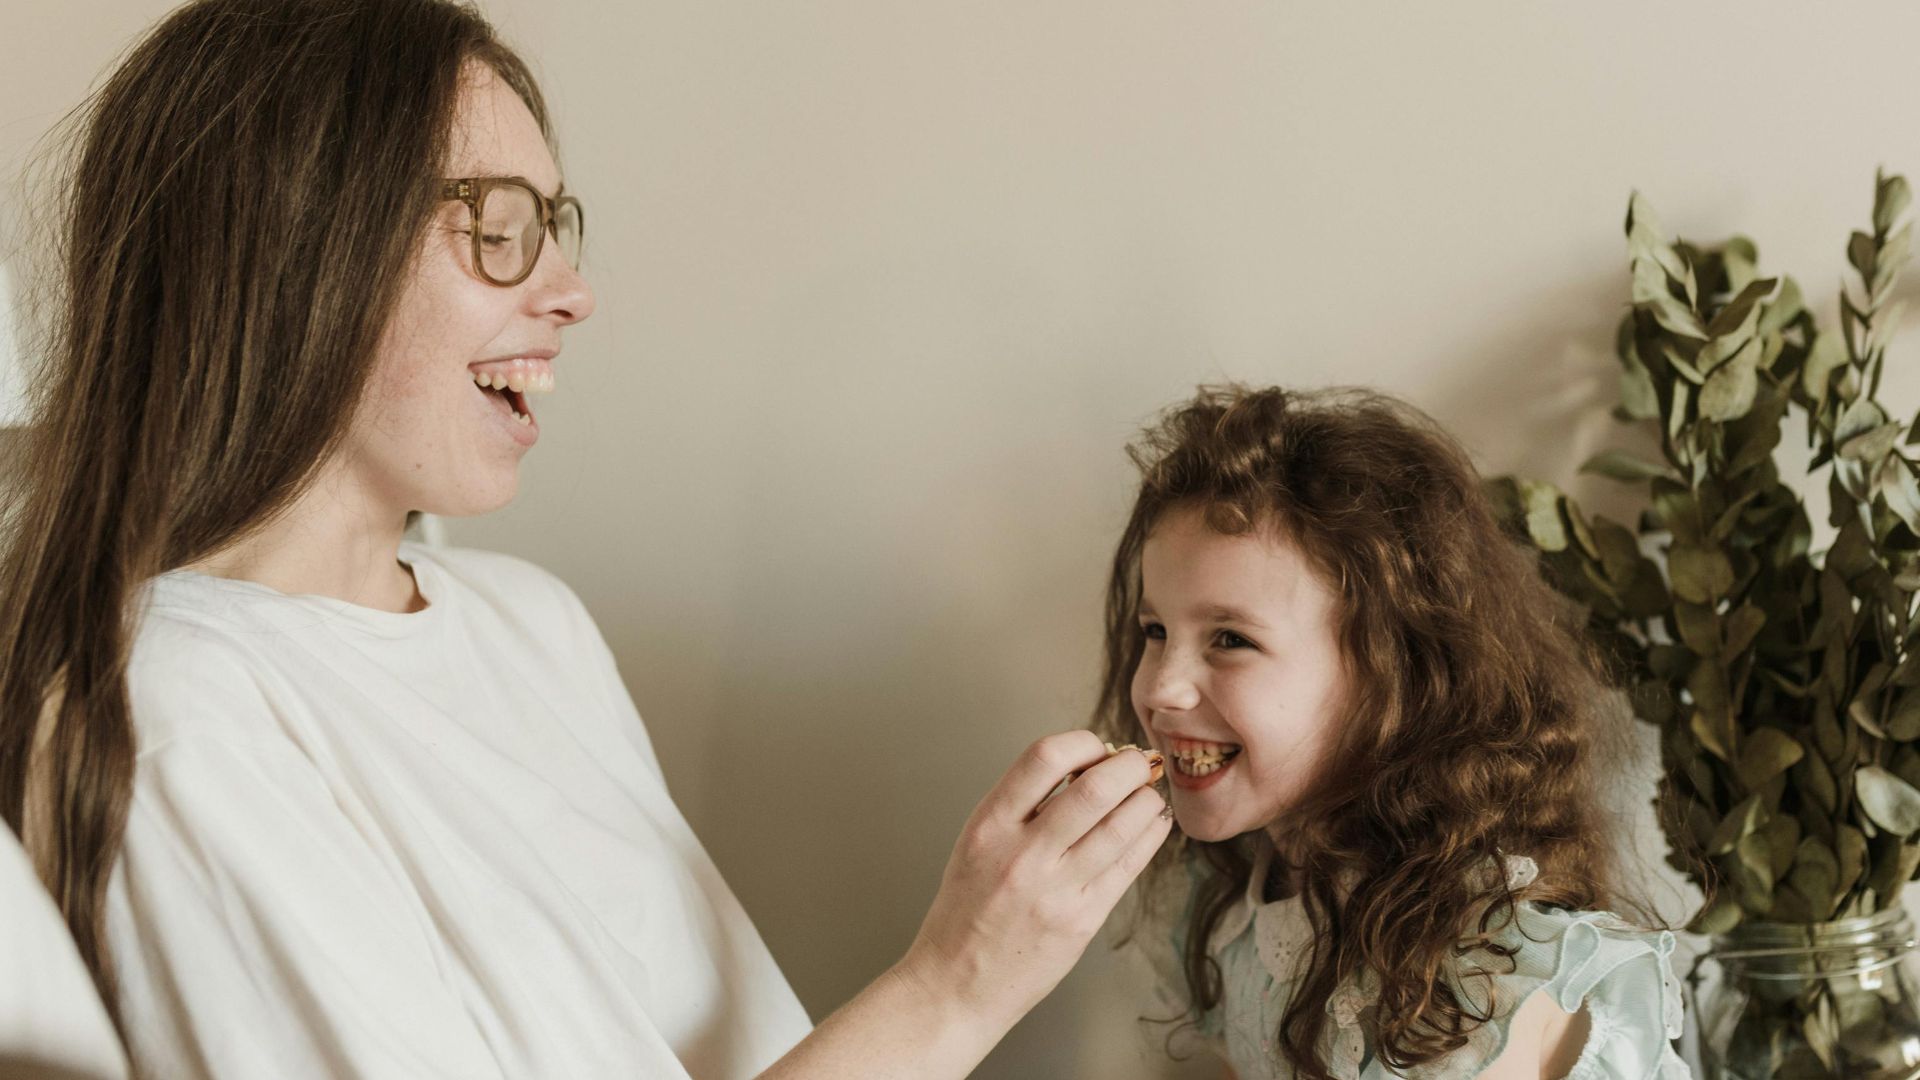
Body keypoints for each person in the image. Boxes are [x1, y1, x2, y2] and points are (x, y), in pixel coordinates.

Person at [0, 1, 1172, 1077]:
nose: (573, 290)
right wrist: (959, 983)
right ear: (302, 250)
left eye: (554, 224)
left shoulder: (531, 621)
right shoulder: (173, 724)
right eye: (497, 226)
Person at [1092, 386, 1689, 1079]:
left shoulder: (1479, 974)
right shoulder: (1230, 905)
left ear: (1389, 674)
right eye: (1155, 630)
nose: (1160, 687)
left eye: (1230, 638)